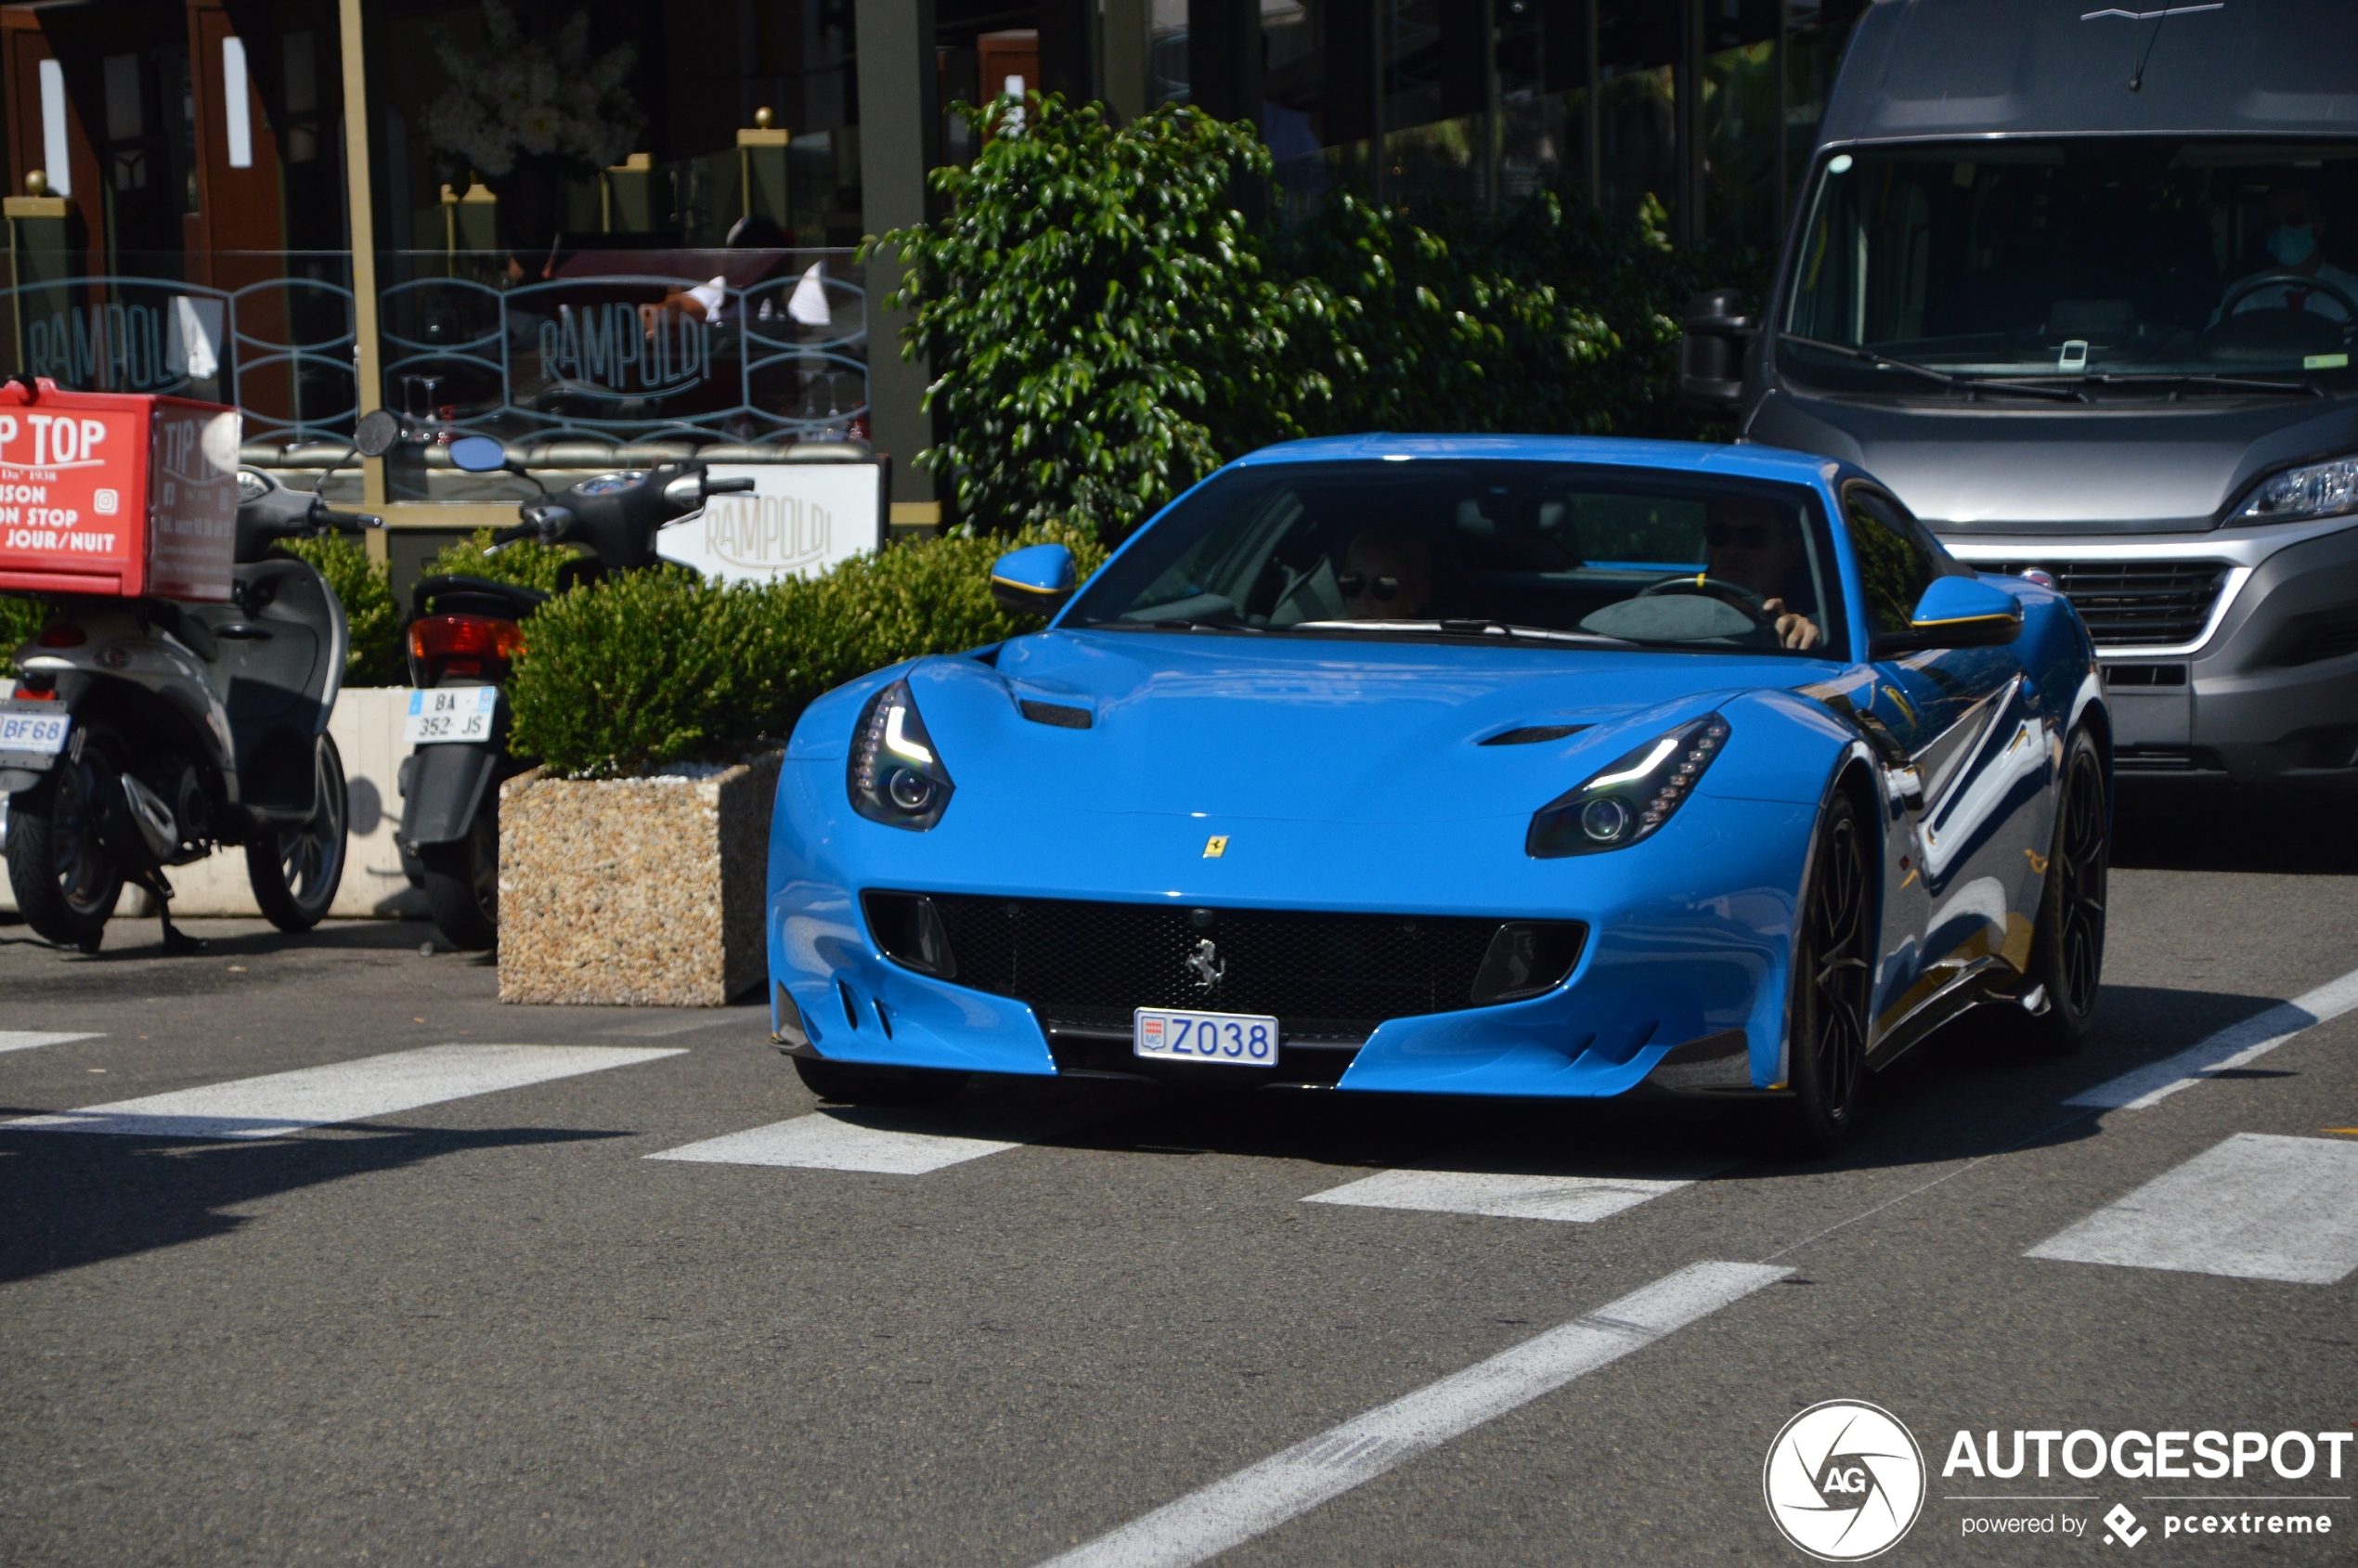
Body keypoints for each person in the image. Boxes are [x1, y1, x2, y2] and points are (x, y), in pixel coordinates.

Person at [2219, 187, 2358, 323]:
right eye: (2272, 223)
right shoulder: (2242, 296)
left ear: (2319, 225)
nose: (2283, 230)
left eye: (2295, 220)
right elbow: (2216, 343)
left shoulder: (2353, 293)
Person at [1704, 497, 1822, 650]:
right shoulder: (1680, 608)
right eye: (1718, 534)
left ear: (1790, 552)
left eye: (1752, 536)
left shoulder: (1825, 623)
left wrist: (1801, 636)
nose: (1731, 550)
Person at [1336, 525, 1435, 620]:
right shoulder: (1328, 636)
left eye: (1383, 587)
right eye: (1352, 585)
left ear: (1417, 595)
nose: (1364, 599)